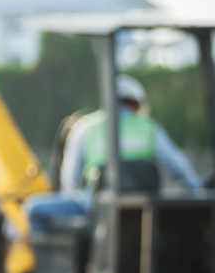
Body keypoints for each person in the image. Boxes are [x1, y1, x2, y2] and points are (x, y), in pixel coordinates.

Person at [26, 74, 202, 234]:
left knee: (33, 208)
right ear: (135, 104)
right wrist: (198, 192)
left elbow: (70, 182)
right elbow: (179, 166)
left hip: (96, 212)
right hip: (144, 214)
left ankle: (53, 266)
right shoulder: (150, 128)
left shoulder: (84, 128)